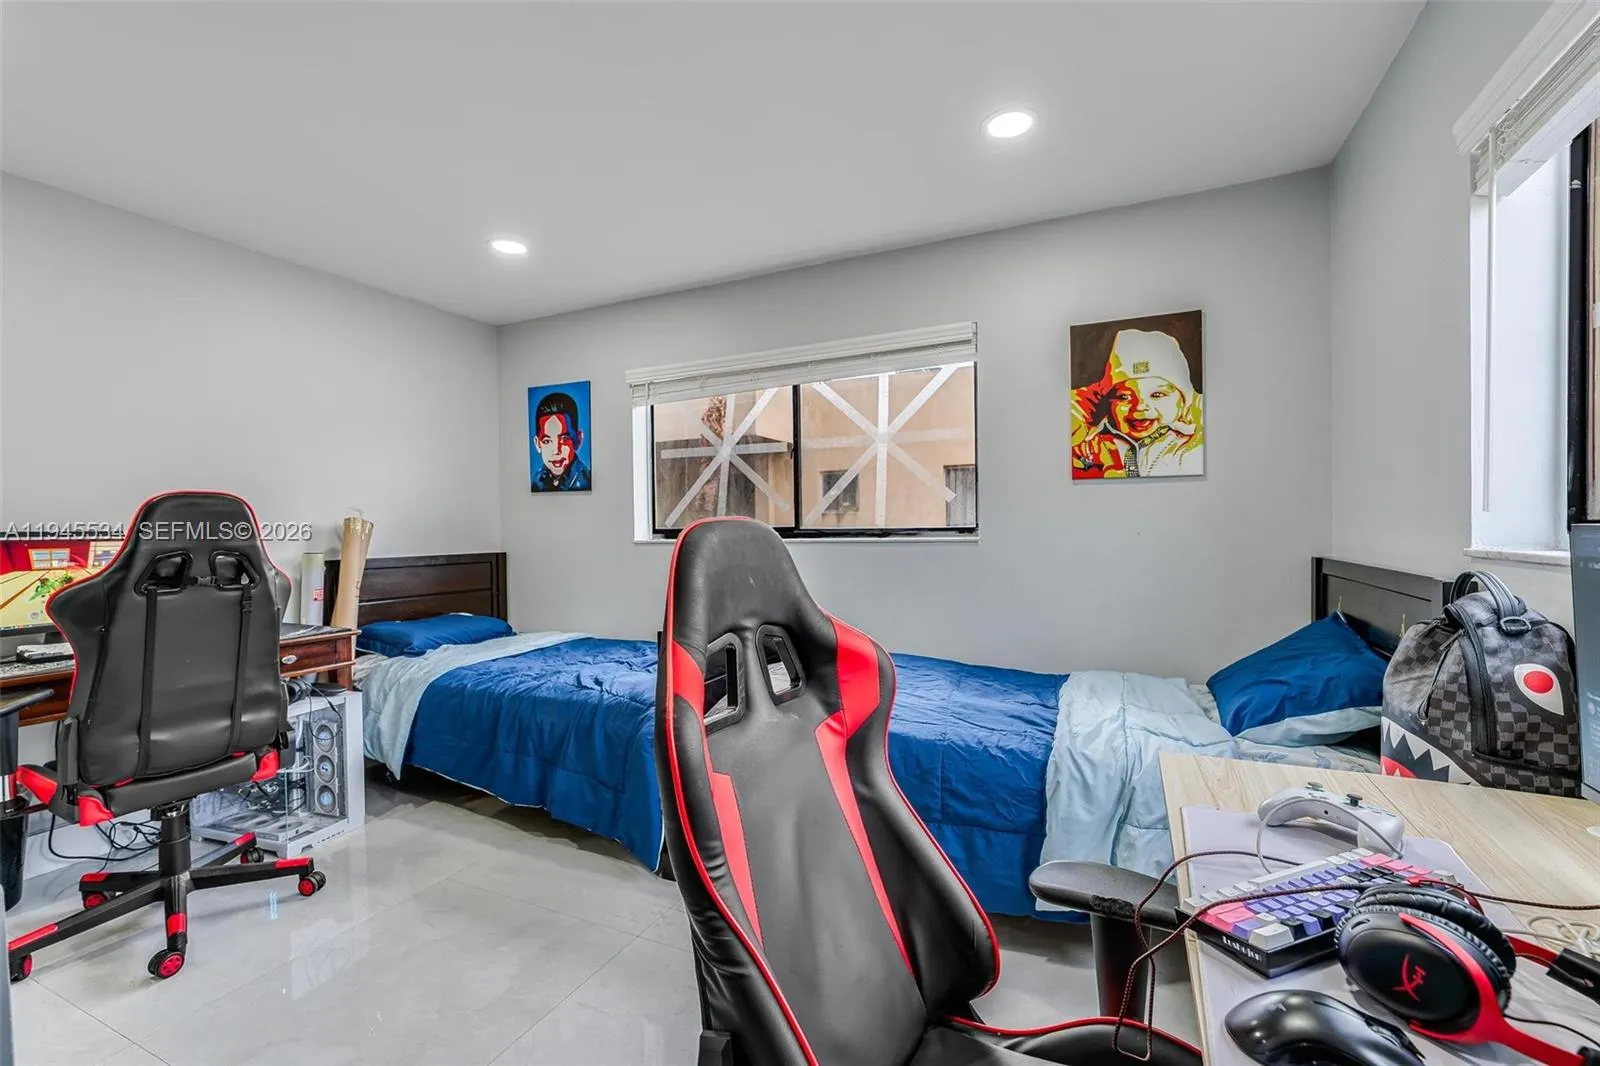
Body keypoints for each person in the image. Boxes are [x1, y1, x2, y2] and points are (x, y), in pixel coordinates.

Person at [1072, 328, 1204, 478]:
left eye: (1157, 395)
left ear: (1184, 401)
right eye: (1124, 397)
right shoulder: (1090, 445)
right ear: (1108, 401)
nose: (1140, 407)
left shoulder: (1192, 441)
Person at [530, 391, 592, 491]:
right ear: (537, 444)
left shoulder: (584, 482)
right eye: (547, 441)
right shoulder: (537, 480)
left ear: (578, 440)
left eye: (564, 439)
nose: (556, 451)